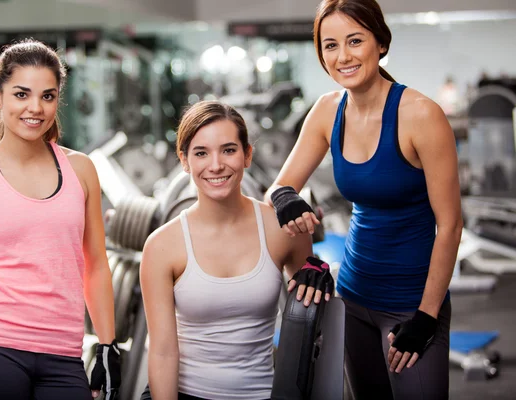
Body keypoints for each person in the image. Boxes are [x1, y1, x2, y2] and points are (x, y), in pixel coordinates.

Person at [265, 1, 463, 399]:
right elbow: (278, 187)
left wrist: (426, 316)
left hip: (412, 305)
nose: (343, 56)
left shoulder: (422, 115)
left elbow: (451, 225)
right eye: (330, 45)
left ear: (381, 43)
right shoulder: (326, 111)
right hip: (353, 299)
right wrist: (287, 200)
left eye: (355, 41)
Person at [0, 39, 120, 400]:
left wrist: (107, 345)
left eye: (47, 96)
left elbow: (96, 266)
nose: (35, 108)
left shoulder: (81, 170)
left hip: (64, 353)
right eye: (22, 94)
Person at [139, 100, 334, 400]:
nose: (216, 165)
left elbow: (310, 319)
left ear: (247, 155)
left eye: (229, 150)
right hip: (184, 393)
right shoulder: (162, 245)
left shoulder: (281, 230)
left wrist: (319, 274)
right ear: (184, 160)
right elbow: (163, 352)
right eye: (201, 153)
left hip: (261, 394)